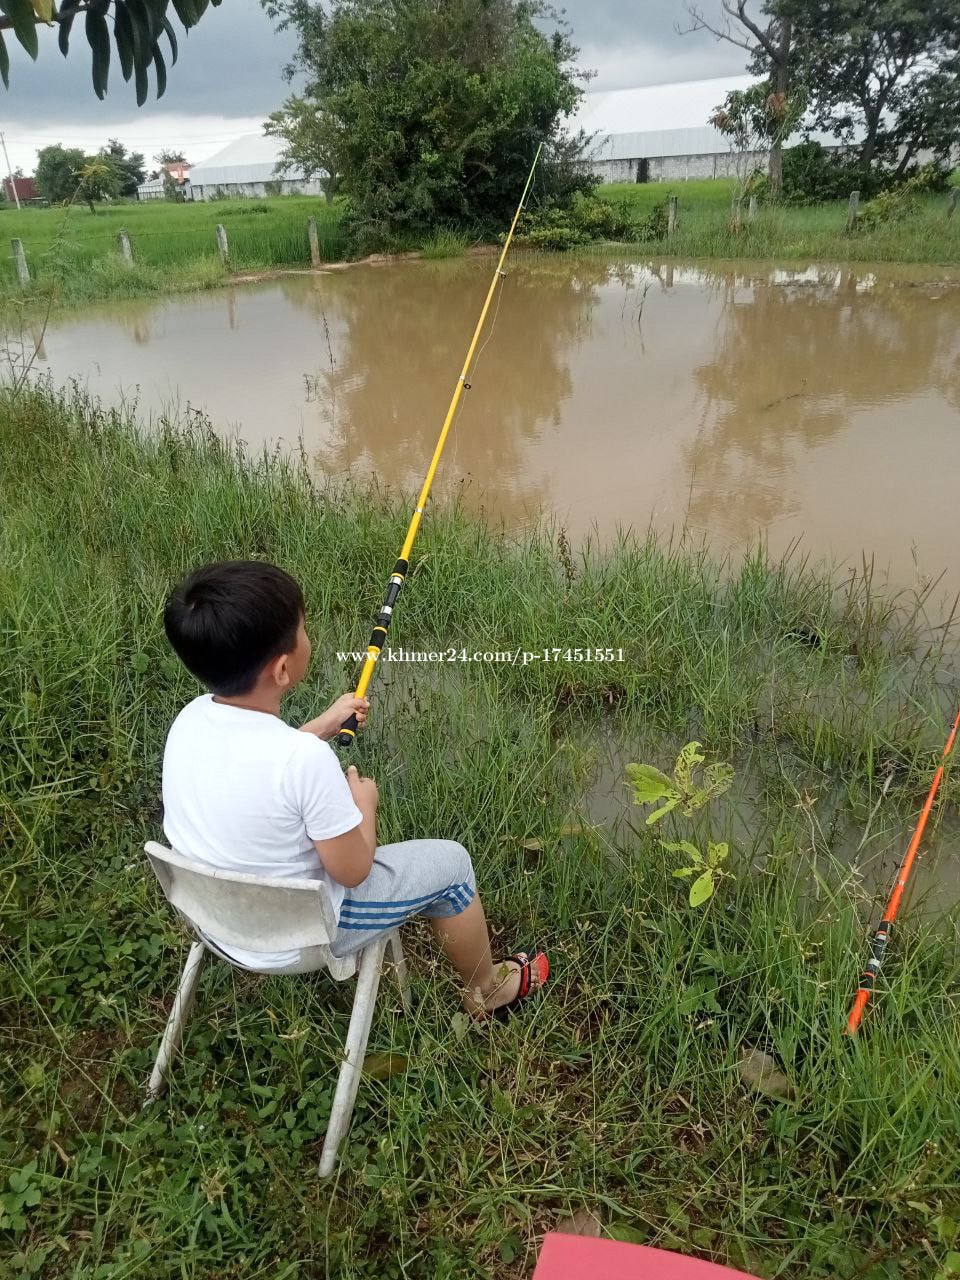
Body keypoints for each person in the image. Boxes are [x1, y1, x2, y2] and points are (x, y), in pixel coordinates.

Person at [160, 559, 548, 1018]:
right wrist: (366, 806)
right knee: (453, 865)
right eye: (303, 628)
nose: (308, 634)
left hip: (213, 921)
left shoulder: (190, 720)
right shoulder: (306, 762)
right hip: (299, 938)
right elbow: (353, 871)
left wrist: (321, 725)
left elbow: (258, 768)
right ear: (282, 669)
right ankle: (486, 990)